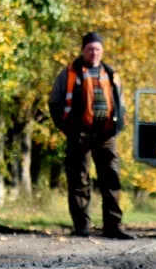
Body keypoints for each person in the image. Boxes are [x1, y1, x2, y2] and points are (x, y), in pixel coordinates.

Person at [48, 32, 136, 240]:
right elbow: (54, 102)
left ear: (102, 51)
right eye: (89, 49)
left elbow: (121, 104)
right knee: (78, 179)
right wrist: (67, 128)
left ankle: (113, 227)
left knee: (111, 179)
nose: (93, 53)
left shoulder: (111, 74)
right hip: (79, 133)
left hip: (106, 134)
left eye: (97, 49)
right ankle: (82, 227)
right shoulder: (69, 74)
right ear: (83, 51)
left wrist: (117, 127)